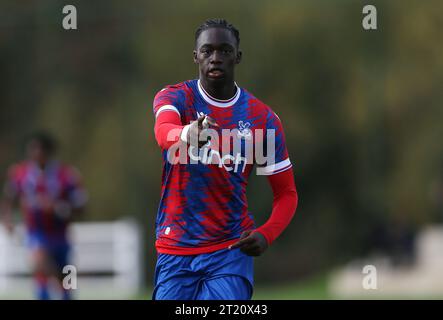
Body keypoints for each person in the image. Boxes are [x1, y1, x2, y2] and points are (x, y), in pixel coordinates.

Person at [151, 18, 298, 300]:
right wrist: (187, 134)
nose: (215, 58)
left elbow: (286, 193)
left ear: (237, 57)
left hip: (230, 250)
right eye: (207, 51)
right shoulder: (176, 98)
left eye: (224, 51)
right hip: (175, 246)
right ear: (195, 56)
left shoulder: (262, 120)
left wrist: (267, 233)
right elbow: (163, 133)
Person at [1, 132, 87, 300]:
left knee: (68, 281)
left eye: (38, 151)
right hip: (37, 234)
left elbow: (81, 206)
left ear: (48, 152)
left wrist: (57, 208)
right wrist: (7, 220)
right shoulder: (21, 173)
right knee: (39, 265)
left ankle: (64, 285)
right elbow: (9, 198)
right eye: (32, 151)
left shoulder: (66, 175)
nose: (35, 155)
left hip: (61, 235)